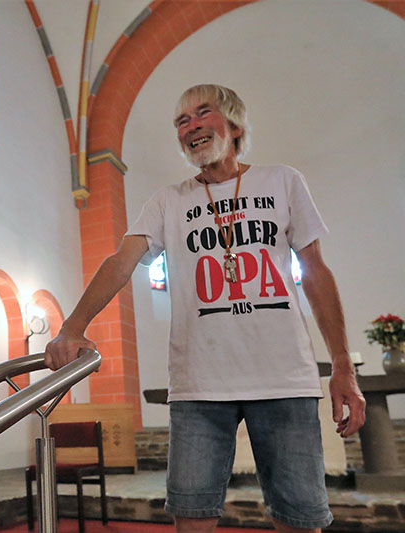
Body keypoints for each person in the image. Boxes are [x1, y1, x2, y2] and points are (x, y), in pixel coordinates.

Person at [45, 84, 365, 533]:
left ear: (234, 125)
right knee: (191, 518)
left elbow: (313, 270)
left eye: (201, 113)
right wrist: (71, 327)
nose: (189, 126)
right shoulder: (167, 201)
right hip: (199, 386)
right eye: (180, 121)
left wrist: (343, 366)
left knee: (300, 519)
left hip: (283, 377)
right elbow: (122, 261)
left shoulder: (282, 181)